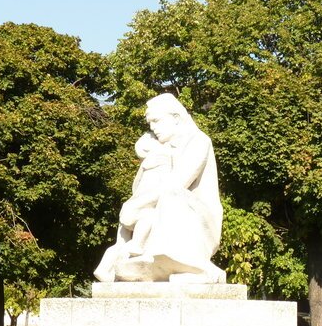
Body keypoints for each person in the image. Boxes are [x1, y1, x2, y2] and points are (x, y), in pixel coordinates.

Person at [93, 93, 225, 283]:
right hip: (163, 211)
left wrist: (137, 205)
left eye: (156, 121)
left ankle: (198, 268)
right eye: (150, 123)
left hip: (197, 220)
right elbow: (142, 187)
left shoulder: (199, 141)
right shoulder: (159, 148)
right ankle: (137, 258)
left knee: (170, 196)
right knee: (141, 209)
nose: (152, 127)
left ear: (176, 118)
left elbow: (177, 183)